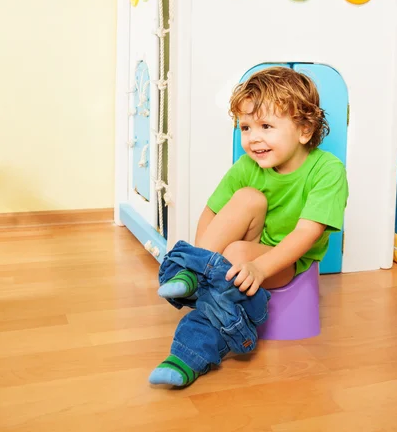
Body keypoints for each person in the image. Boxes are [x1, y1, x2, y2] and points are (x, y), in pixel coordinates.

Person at [149, 66, 349, 387]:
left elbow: (306, 234)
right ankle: (194, 272)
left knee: (237, 251)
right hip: (237, 254)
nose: (253, 137)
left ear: (304, 130)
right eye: (245, 127)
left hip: (287, 260)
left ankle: (190, 353)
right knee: (246, 198)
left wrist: (258, 267)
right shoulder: (247, 166)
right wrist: (205, 263)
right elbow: (210, 215)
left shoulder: (327, 170)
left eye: (266, 126)